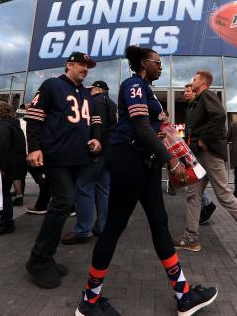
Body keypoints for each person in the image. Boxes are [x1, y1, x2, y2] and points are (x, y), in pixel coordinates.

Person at [76, 46, 217, 316]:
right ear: (143, 63)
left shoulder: (147, 88)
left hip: (145, 160)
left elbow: (152, 128)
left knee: (159, 223)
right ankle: (89, 301)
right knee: (115, 226)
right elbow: (140, 126)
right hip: (128, 158)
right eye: (157, 62)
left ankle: (184, 295)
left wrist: (169, 147)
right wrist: (171, 160)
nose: (161, 67)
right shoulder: (133, 84)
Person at [24, 52, 103, 289]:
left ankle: (46, 256)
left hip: (79, 159)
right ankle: (38, 260)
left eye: (88, 66)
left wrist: (97, 140)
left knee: (65, 204)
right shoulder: (51, 85)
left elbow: (95, 122)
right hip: (57, 157)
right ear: (69, 65)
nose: (85, 68)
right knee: (63, 202)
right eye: (81, 64)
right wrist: (34, 148)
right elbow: (34, 117)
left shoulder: (86, 93)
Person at [174, 71, 237, 261]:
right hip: (199, 155)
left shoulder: (207, 95)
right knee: (193, 194)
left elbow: (219, 116)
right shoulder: (196, 101)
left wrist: (204, 139)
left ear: (202, 82)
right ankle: (191, 237)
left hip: (209, 154)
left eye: (194, 79)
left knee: (224, 196)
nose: (191, 82)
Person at [62, 80, 117, 244]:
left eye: (91, 89)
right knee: (103, 189)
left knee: (83, 187)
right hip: (109, 152)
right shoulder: (111, 103)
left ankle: (82, 230)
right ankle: (102, 226)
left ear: (97, 89)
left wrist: (95, 146)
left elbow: (97, 124)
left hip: (98, 152)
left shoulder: (96, 101)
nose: (89, 91)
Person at [0, 100, 27, 237]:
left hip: (5, 167)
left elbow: (1, 148)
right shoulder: (14, 125)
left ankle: (7, 223)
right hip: (14, 166)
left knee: (2, 194)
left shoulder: (1, 126)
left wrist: (0, 168)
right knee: (2, 194)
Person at [183, 83, 217, 225]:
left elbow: (214, 122)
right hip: (192, 150)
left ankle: (207, 205)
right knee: (194, 182)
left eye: (187, 91)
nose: (185, 93)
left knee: (198, 181)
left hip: (200, 151)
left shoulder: (199, 108)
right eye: (184, 91)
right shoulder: (190, 108)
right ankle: (205, 206)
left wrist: (202, 141)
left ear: (194, 93)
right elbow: (189, 130)